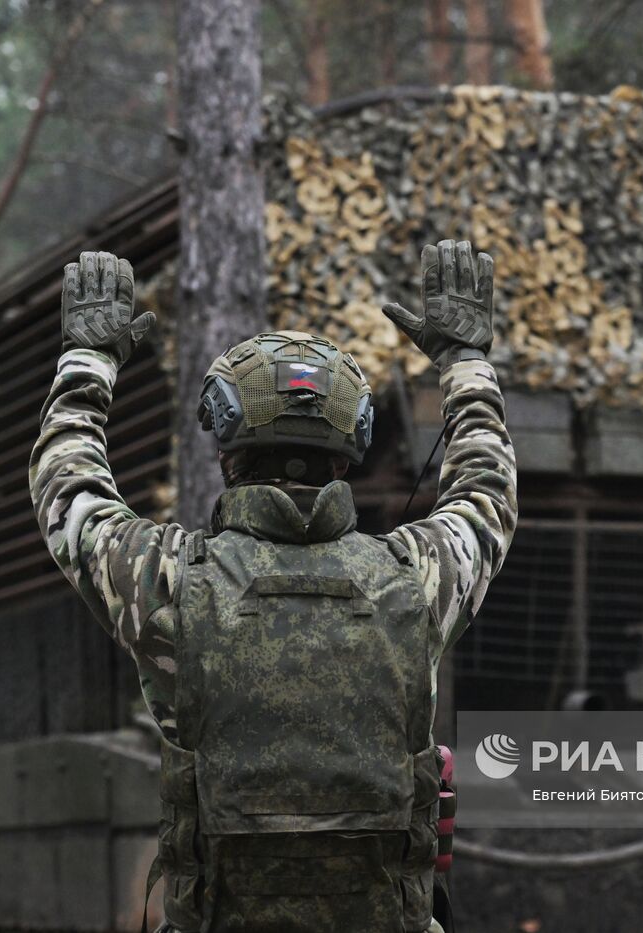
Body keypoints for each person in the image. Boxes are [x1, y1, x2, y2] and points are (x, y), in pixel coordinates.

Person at [29, 240, 518, 932]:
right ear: (351, 448)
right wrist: (465, 363)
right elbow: (488, 492)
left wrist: (88, 363)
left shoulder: (169, 585)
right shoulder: (415, 582)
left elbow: (66, 489)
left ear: (227, 451)